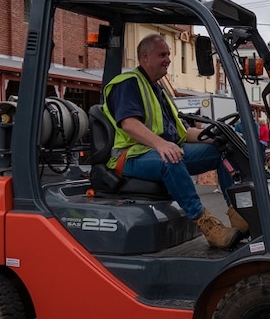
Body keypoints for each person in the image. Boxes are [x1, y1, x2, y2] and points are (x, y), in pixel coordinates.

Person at [102, 34, 246, 250]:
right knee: (170, 158)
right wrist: (161, 144)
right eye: (162, 54)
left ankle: (240, 214)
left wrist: (217, 135)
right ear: (144, 57)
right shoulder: (128, 84)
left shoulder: (158, 90)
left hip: (161, 150)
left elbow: (180, 133)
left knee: (221, 150)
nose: (168, 59)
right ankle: (207, 225)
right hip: (131, 156)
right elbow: (129, 124)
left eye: (169, 54)